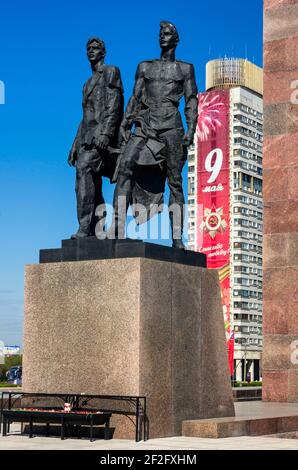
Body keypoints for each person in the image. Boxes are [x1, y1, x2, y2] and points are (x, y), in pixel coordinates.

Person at [110, 21, 198, 248]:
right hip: (146, 124)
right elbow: (135, 96)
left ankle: (177, 239)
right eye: (160, 33)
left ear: (176, 39)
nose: (163, 37)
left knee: (175, 182)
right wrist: (125, 123)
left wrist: (191, 128)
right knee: (125, 167)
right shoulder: (145, 67)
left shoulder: (185, 69)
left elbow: (191, 100)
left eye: (167, 34)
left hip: (172, 127)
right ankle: (117, 227)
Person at [68, 37, 124, 239]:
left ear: (103, 52)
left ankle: (84, 227)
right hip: (86, 138)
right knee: (90, 181)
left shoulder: (110, 71)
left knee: (84, 170)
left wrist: (107, 133)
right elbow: (85, 116)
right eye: (88, 49)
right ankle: (97, 227)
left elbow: (114, 104)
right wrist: (75, 143)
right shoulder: (87, 83)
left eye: (95, 48)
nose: (91, 51)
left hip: (101, 138)